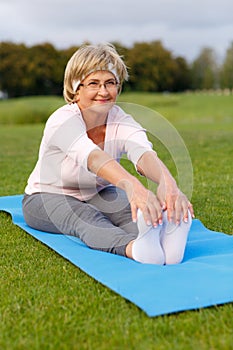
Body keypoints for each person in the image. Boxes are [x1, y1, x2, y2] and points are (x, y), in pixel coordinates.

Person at [22, 43, 194, 265]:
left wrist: (168, 183)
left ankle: (167, 243)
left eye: (110, 83)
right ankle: (136, 249)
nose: (103, 92)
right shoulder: (62, 120)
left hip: (97, 192)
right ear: (76, 88)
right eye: (94, 83)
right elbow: (93, 157)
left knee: (130, 213)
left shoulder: (120, 119)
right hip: (47, 197)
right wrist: (133, 187)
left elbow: (142, 154)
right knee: (86, 219)